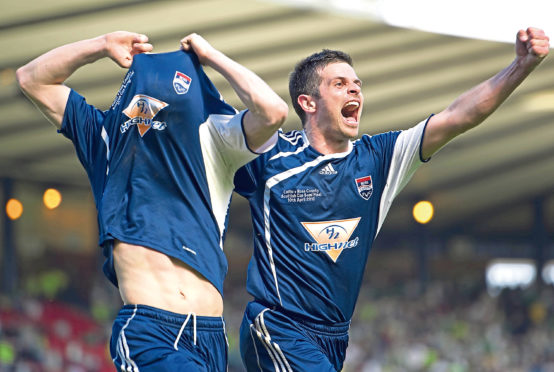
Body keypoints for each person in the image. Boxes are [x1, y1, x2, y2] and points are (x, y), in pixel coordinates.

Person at [234, 27, 549, 371]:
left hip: (335, 336)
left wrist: (522, 65)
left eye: (356, 84)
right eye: (338, 84)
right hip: (278, 326)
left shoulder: (379, 158)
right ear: (308, 103)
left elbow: (459, 116)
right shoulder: (270, 155)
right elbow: (203, 152)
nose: (354, 88)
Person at [16, 31, 288, 371]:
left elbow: (273, 112)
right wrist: (101, 45)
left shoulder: (215, 137)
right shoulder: (104, 138)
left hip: (211, 336)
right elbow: (30, 79)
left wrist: (212, 57)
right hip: (151, 332)